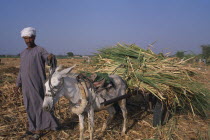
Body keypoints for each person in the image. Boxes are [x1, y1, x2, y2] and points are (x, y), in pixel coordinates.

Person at [14, 27, 58, 139]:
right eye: (25, 38)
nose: (28, 40)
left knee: (38, 106)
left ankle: (39, 129)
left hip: (37, 83)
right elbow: (21, 70)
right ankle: (32, 128)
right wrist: (17, 84)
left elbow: (49, 60)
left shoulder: (40, 50)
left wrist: (50, 58)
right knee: (28, 106)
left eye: (30, 38)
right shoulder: (23, 53)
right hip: (26, 85)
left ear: (34, 37)